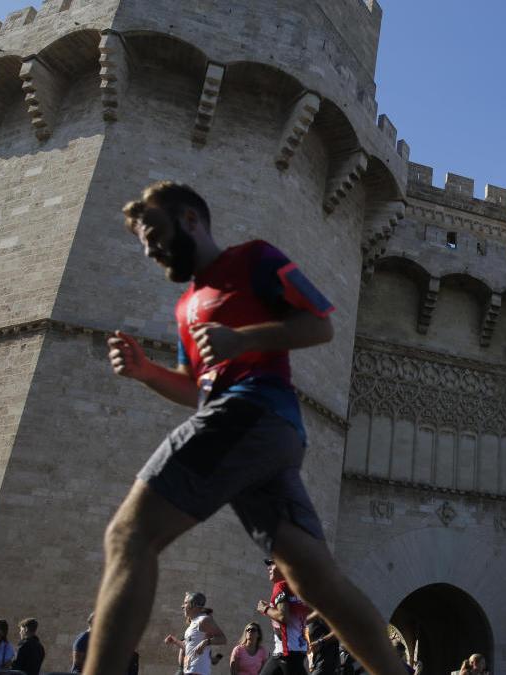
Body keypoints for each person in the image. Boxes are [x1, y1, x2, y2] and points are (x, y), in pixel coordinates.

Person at [87, 181, 404, 675]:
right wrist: (146, 371)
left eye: (153, 231)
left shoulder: (254, 259)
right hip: (255, 433)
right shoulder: (185, 308)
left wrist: (241, 340)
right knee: (314, 579)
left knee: (129, 535)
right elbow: (198, 389)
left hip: (253, 411)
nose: (149, 248)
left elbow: (319, 324)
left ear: (190, 219)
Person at [258, 557, 310, 675]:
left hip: (287, 654)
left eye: (272, 564)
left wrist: (265, 609)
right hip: (292, 652)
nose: (268, 567)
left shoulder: (280, 586)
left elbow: (283, 617)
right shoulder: (299, 589)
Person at [303, 610, 339, 675]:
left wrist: (320, 642)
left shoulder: (320, 612)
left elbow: (338, 633)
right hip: (309, 661)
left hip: (324, 660)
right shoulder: (299, 616)